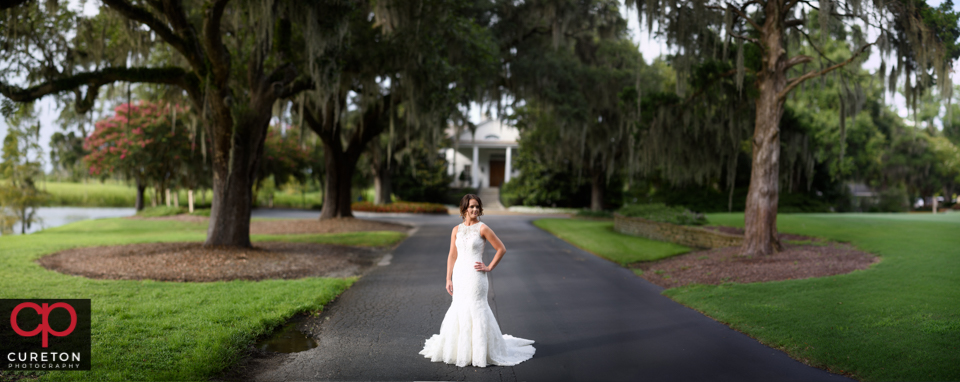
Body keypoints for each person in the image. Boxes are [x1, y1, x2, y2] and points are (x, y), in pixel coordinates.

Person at [419, 194, 535, 367]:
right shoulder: (456, 230)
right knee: (458, 307)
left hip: (475, 277)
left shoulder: (483, 228)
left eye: (477, 207)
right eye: (471, 206)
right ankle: (459, 350)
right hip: (459, 275)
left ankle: (480, 352)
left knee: (476, 308)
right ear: (464, 208)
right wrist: (448, 278)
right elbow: (452, 255)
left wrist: (489, 267)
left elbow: (501, 249)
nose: (474, 210)